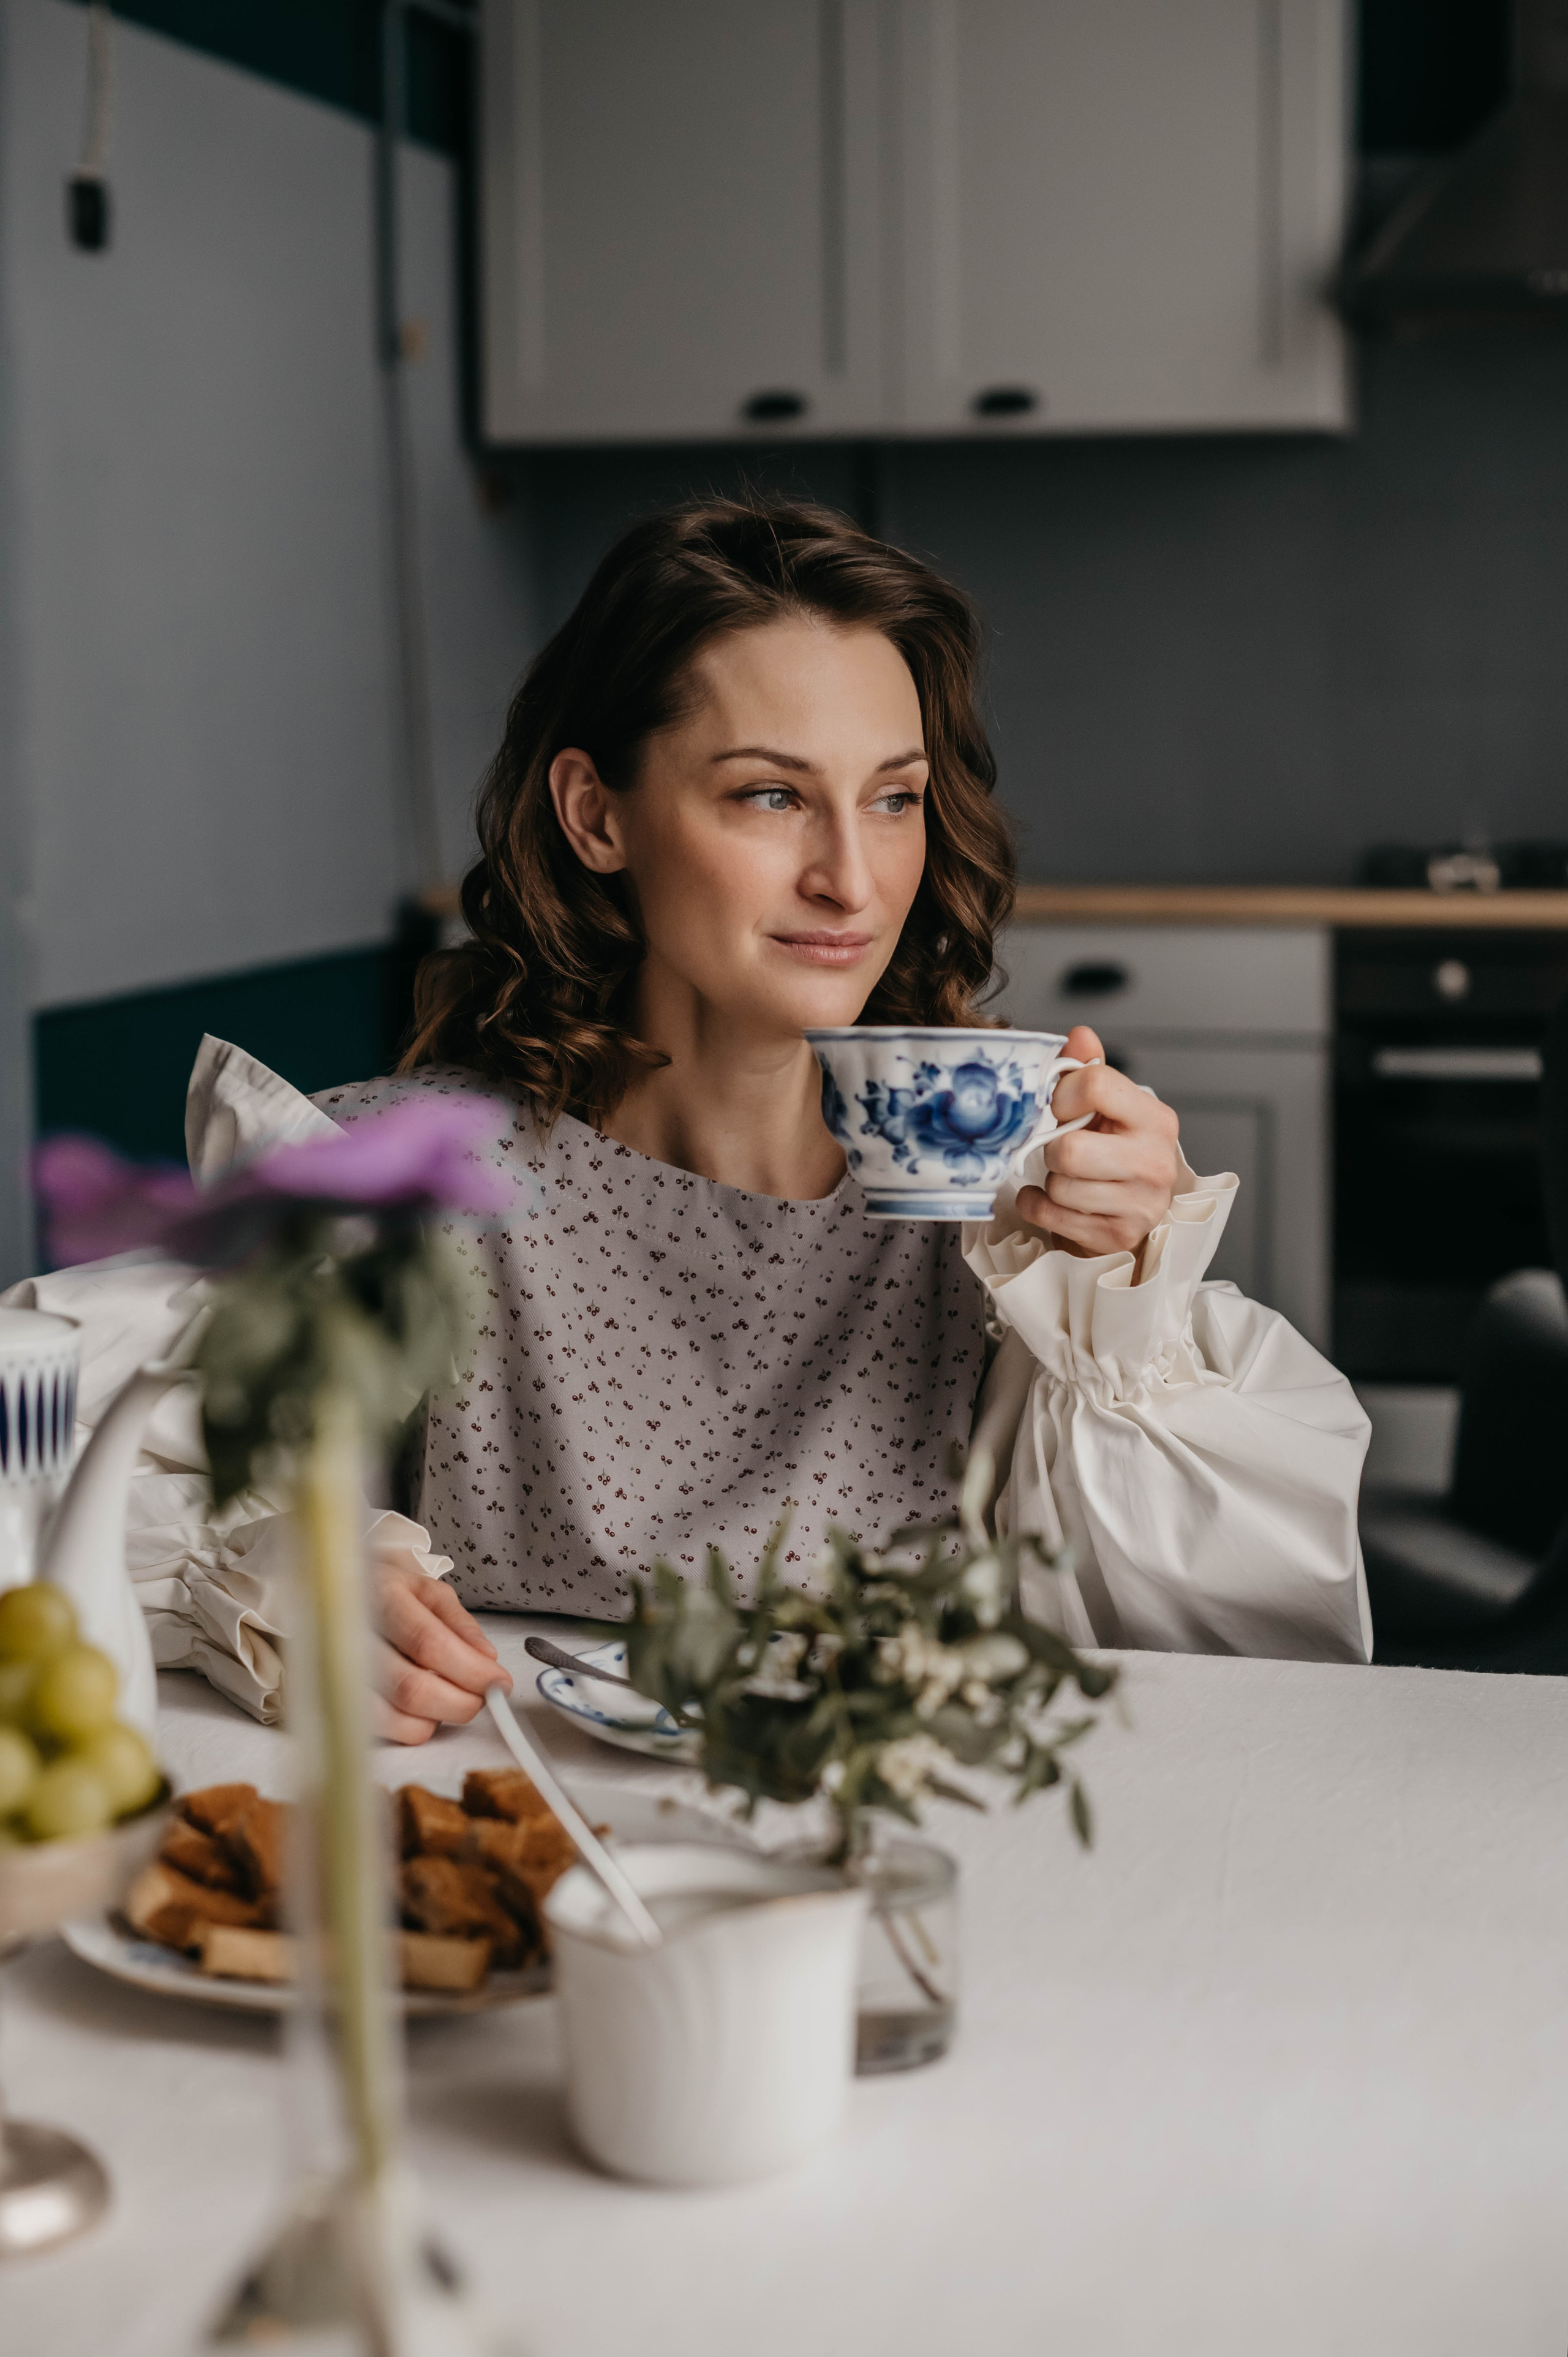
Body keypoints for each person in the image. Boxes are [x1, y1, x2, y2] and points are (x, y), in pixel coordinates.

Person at [7, 498, 1371, 1740]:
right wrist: (264, 1577)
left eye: (892, 799)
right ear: (597, 815)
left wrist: (1123, 1311)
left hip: (917, 1847)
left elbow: (1239, 1678)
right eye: (770, 795)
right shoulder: (404, 1178)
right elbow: (52, 1443)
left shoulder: (1010, 1220)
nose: (849, 875)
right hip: (516, 1850)